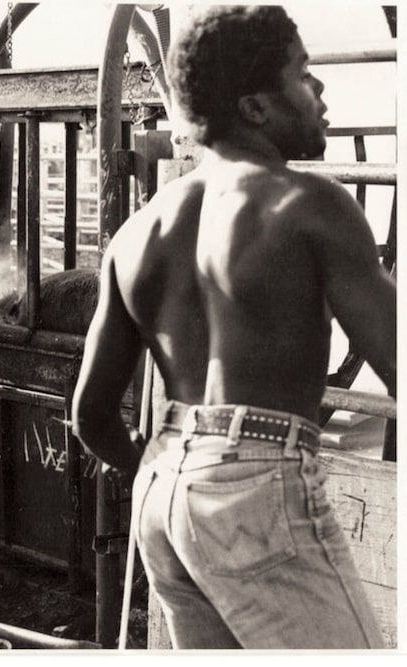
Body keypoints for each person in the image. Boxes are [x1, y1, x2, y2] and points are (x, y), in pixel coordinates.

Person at [72, 5, 394, 650]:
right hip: (260, 483)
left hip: (164, 489)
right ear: (255, 106)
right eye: (304, 74)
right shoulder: (307, 204)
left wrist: (177, 479)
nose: (322, 92)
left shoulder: (140, 232)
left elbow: (91, 415)